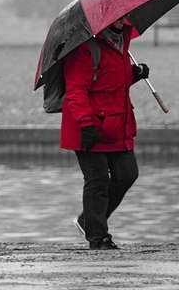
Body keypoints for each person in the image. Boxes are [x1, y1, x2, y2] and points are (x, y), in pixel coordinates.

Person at [59, 15, 150, 250]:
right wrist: (86, 124)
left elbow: (110, 82)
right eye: (117, 17)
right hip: (89, 125)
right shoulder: (83, 48)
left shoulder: (121, 41)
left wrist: (133, 74)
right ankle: (98, 238)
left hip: (117, 124)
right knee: (97, 181)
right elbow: (76, 90)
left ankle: (88, 222)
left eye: (125, 16)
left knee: (127, 174)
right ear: (103, 18)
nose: (123, 21)